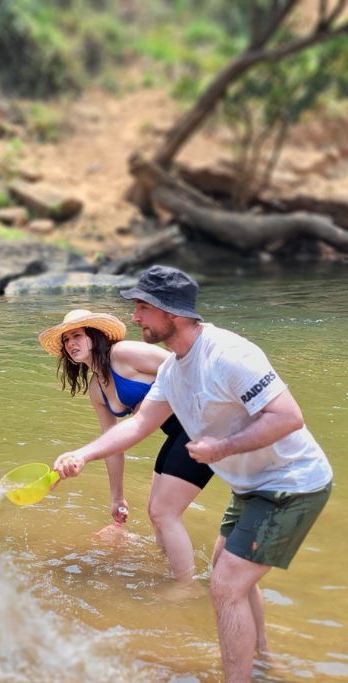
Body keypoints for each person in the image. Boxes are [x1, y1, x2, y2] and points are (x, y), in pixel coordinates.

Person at [52, 265, 333, 682]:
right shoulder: (171, 370)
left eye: (143, 308)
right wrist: (83, 454)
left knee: (224, 585)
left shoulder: (228, 354)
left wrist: (221, 447)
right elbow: (136, 425)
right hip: (249, 486)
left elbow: (289, 417)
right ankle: (262, 663)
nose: (135, 318)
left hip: (291, 484)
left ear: (173, 313)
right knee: (228, 571)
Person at [39, 309, 213, 583]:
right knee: (156, 513)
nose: (71, 343)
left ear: (95, 337)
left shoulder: (124, 353)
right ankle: (171, 569)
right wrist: (116, 498)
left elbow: (186, 364)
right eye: (66, 340)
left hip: (203, 426)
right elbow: (113, 445)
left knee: (163, 512)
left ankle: (184, 587)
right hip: (177, 434)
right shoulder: (97, 388)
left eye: (77, 336)